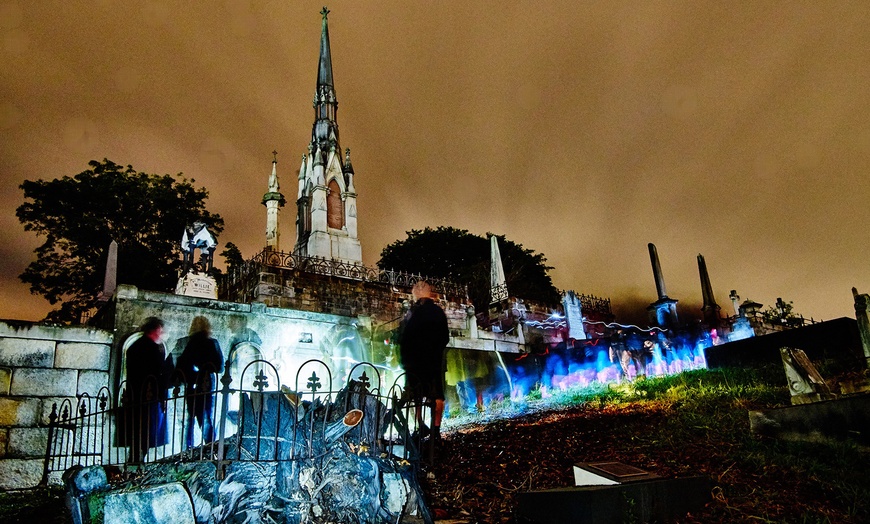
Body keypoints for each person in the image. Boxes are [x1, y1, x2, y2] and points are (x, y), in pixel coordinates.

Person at [397, 281, 450, 440]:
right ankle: (435, 430)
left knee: (415, 395)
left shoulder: (412, 313)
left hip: (414, 362)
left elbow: (404, 338)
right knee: (437, 395)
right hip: (434, 360)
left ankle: (420, 425)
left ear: (416, 294)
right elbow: (445, 337)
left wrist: (405, 359)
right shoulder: (438, 312)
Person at [123, 316, 173, 463]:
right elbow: (158, 374)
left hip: (137, 394)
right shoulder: (150, 348)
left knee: (140, 431)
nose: (162, 333)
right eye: (160, 330)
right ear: (155, 330)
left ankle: (136, 459)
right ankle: (137, 461)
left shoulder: (136, 346)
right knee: (147, 431)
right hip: (149, 396)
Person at [176, 316, 224, 449]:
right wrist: (206, 368)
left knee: (190, 419)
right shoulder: (211, 343)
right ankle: (211, 449)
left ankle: (187, 450)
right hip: (206, 384)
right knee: (205, 418)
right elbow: (220, 367)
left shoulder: (190, 343)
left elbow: (183, 364)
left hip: (193, 385)